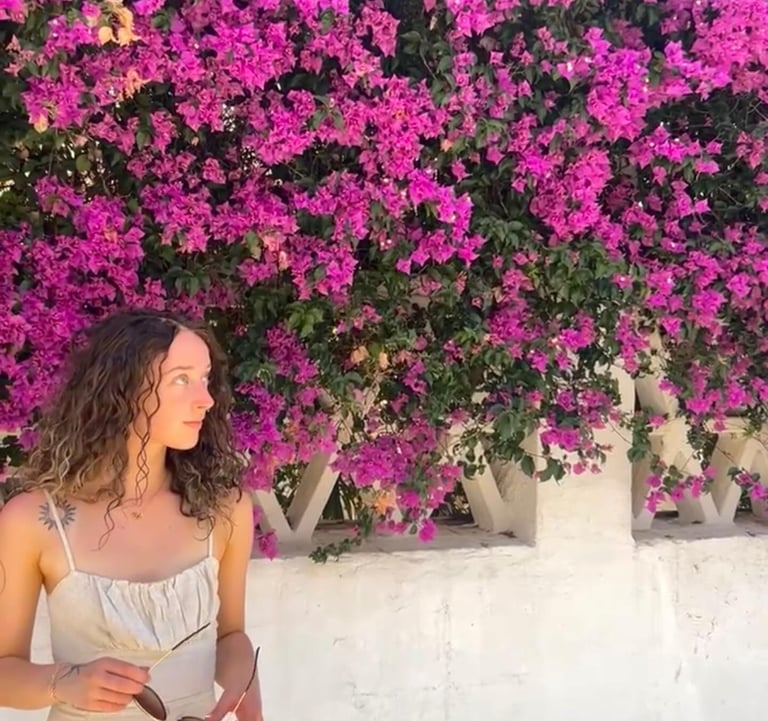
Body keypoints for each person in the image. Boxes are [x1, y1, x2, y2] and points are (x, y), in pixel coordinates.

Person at [0, 309, 263, 721]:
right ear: (124, 388)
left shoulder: (225, 509)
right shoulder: (32, 521)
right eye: (182, 380)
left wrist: (244, 685)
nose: (206, 399)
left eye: (205, 378)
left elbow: (230, 635)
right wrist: (64, 682)